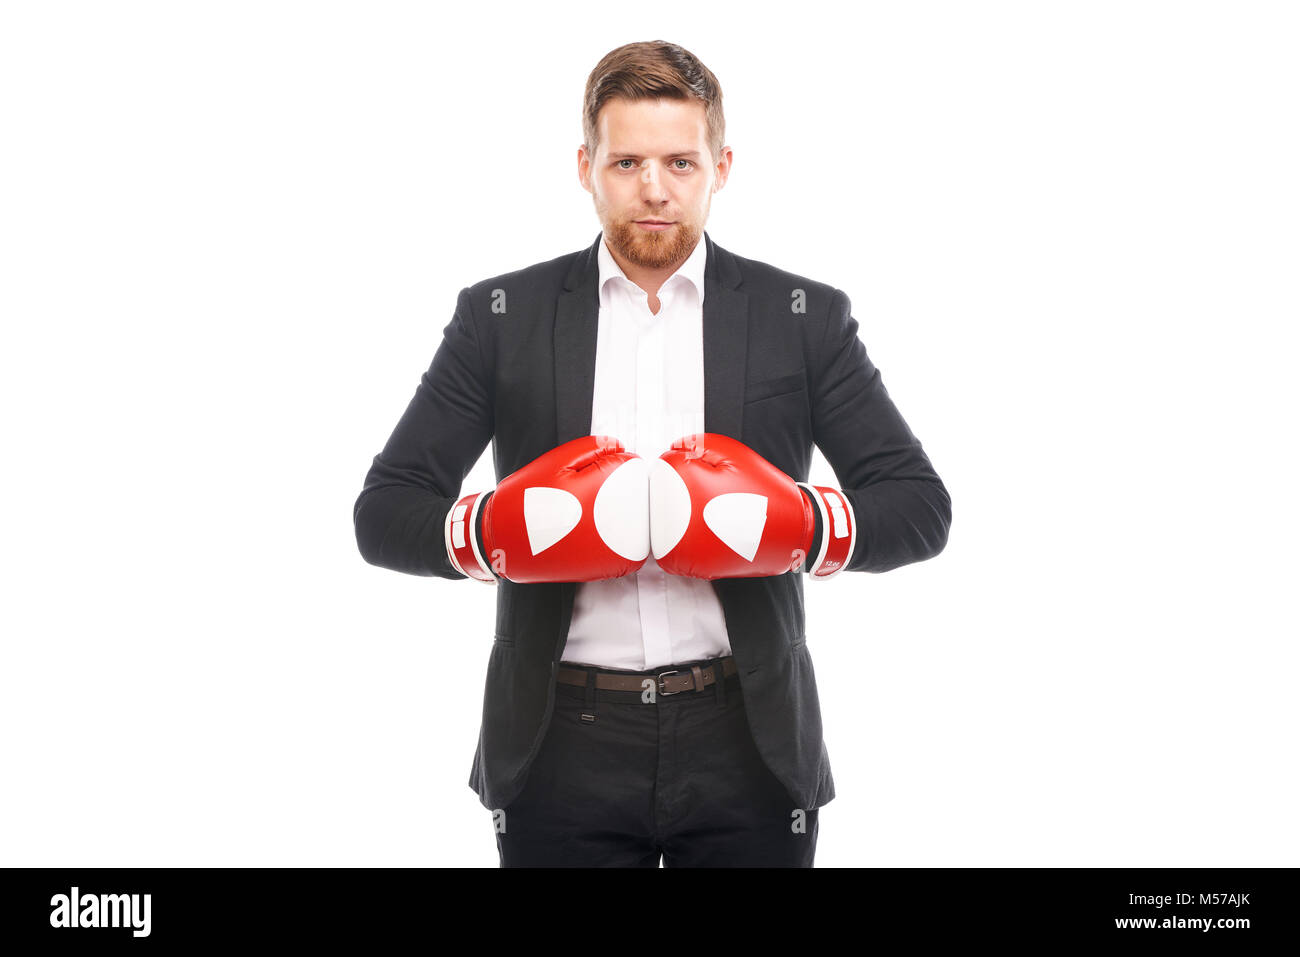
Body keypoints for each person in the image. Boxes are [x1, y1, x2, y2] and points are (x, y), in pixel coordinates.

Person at [353, 40, 951, 867]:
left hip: (749, 736)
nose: (654, 189)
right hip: (559, 742)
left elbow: (919, 504)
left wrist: (796, 521)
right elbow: (386, 508)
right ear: (586, 166)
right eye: (627, 160)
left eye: (680, 161)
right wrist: (496, 530)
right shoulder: (502, 316)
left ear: (722, 166)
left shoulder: (800, 316)